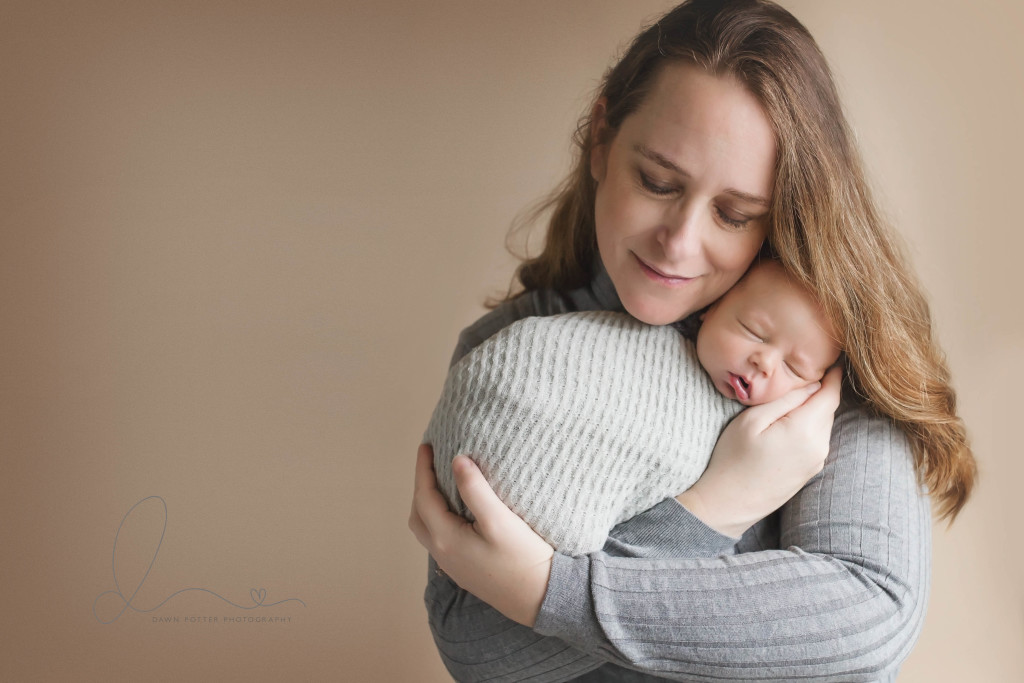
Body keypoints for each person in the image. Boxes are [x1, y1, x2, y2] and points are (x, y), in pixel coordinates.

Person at [408, 1, 977, 681]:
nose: (678, 242)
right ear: (601, 137)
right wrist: (714, 506)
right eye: (657, 181)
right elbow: (473, 647)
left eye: (734, 214)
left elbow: (864, 614)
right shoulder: (513, 349)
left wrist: (544, 590)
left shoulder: (814, 354)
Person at [424, 260, 840, 557]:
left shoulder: (785, 440)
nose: (764, 363)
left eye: (793, 367)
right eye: (753, 331)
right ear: (710, 308)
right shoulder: (621, 341)